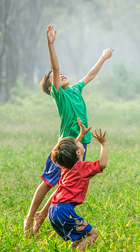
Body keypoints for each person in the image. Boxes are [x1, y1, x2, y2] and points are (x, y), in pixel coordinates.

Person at [24, 23, 114, 236]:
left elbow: (90, 75)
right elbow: (55, 68)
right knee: (48, 182)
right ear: (51, 86)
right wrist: (50, 44)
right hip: (65, 146)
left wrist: (103, 57)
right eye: (54, 77)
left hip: (81, 144)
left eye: (61, 74)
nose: (61, 75)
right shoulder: (60, 95)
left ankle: (42, 216)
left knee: (67, 182)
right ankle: (30, 217)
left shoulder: (74, 90)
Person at [48, 127, 108, 250]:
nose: (79, 142)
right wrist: (103, 144)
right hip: (65, 212)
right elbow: (102, 164)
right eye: (78, 142)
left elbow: (69, 152)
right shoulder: (82, 168)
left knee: (81, 237)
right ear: (78, 152)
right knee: (93, 234)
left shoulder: (66, 166)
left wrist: (81, 135)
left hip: (53, 210)